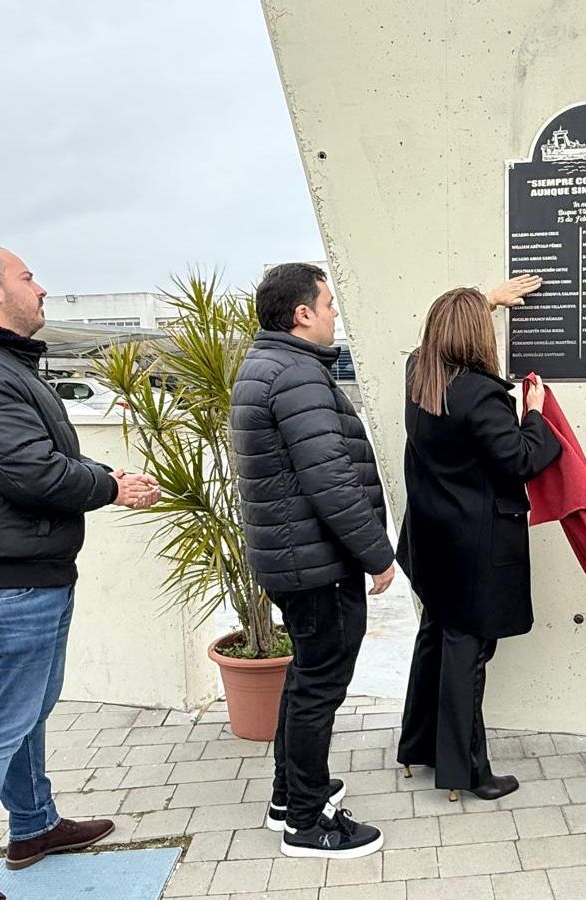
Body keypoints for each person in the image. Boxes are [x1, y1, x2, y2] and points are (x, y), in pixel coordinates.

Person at [0, 246, 161, 900]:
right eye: (28, 277)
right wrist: (111, 485)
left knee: (22, 714)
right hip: (0, 586)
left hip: (22, 574)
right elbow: (30, 471)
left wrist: (101, 480)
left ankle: (32, 827)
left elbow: (31, 460)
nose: (42, 288)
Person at [231, 262, 396, 859]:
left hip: (296, 560)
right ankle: (306, 823)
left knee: (306, 678)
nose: (333, 316)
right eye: (328, 305)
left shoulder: (268, 366)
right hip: (316, 565)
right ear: (302, 313)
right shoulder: (296, 373)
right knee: (319, 687)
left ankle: (288, 797)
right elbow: (331, 478)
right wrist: (377, 554)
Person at [395, 280, 562, 802]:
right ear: (477, 336)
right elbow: (519, 459)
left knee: (435, 639)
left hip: (431, 539)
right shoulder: (480, 393)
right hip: (474, 547)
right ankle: (466, 771)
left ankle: (418, 748)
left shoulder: (418, 375)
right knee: (468, 653)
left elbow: (437, 339)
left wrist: (486, 298)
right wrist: (534, 412)